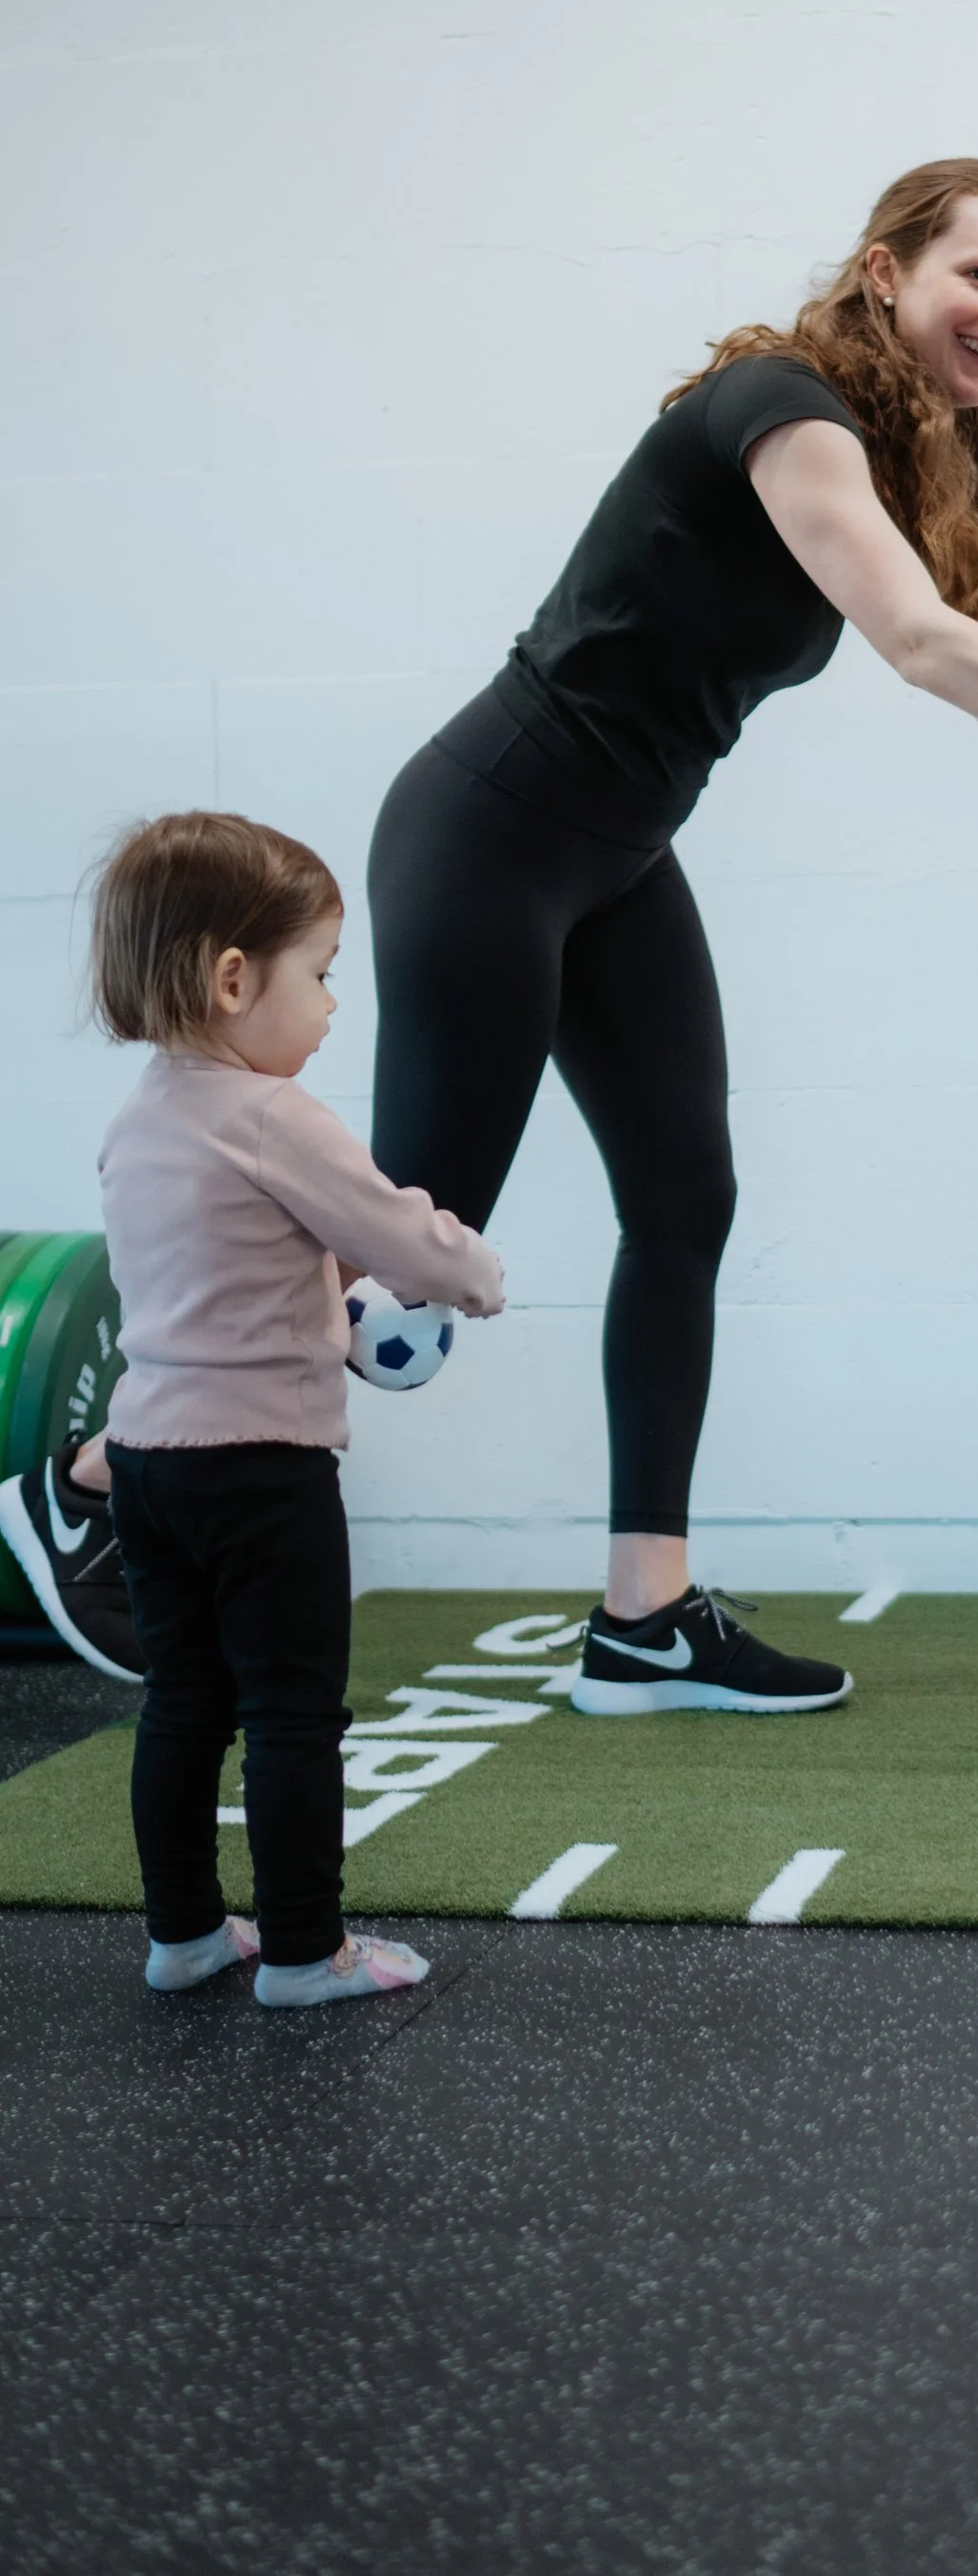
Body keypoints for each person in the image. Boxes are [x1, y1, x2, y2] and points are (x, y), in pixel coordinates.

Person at [338, 154, 978, 1719]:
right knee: (407, 1281)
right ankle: (105, 1466)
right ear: (886, 271)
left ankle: (643, 1621)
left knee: (686, 1196)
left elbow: (966, 638)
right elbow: (928, 647)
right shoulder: (785, 404)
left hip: (614, 859)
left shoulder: (899, 453)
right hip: (490, 836)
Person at [63, 814, 500, 2001]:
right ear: (233, 977)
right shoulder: (272, 1116)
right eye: (319, 975)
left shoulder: (138, 1119)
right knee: (295, 1714)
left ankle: (185, 1936)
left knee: (186, 1702)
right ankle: (307, 1952)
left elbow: (214, 1276)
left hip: (151, 1459)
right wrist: (471, 1274)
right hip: (264, 1464)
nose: (331, 1005)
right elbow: (395, 1228)